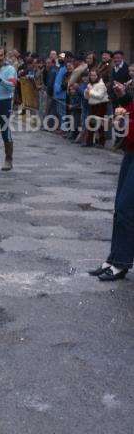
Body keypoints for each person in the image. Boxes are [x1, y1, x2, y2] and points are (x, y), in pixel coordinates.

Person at [89, 81, 134, 281]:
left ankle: (121, 263)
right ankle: (114, 258)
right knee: (120, 208)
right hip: (130, 152)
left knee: (125, 209)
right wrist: (123, 94)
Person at [83, 68, 109, 147]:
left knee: (100, 124)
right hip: (93, 105)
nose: (92, 77)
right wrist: (86, 92)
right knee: (91, 123)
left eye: (94, 75)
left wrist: (90, 91)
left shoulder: (101, 84)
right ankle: (89, 141)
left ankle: (101, 142)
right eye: (91, 75)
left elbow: (100, 96)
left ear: (97, 76)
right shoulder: (90, 84)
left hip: (101, 105)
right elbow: (87, 97)